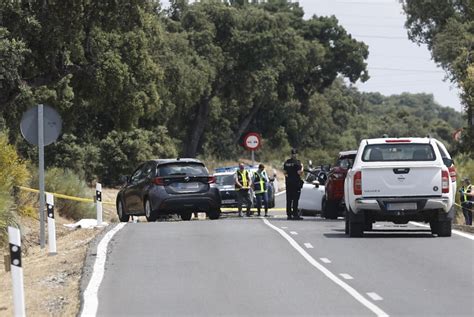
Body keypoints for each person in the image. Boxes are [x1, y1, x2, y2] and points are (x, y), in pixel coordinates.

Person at [284, 149, 304, 220]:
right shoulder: (297, 163)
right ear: (296, 154)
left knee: (289, 199)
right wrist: (302, 167)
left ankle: (289, 215)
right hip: (296, 183)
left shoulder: (287, 162)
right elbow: (300, 173)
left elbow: (285, 173)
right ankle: (295, 214)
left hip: (288, 183)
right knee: (295, 199)